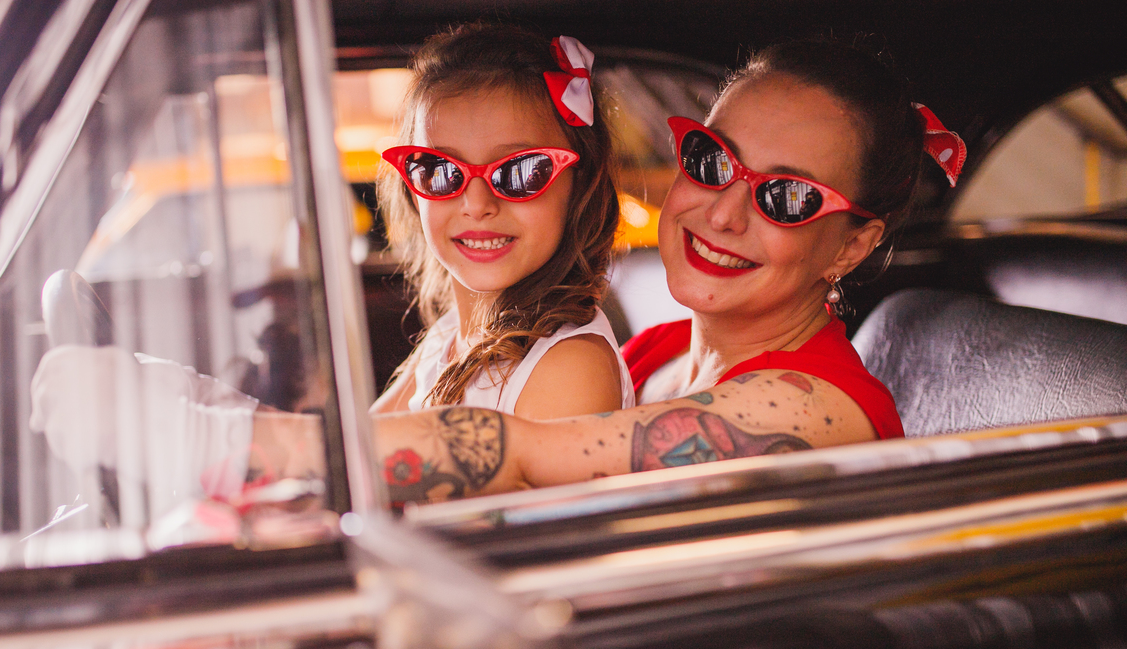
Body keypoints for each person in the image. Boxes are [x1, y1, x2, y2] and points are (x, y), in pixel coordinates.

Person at [334, 39, 966, 505]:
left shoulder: (815, 411)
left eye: (787, 197)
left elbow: (522, 455)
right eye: (710, 159)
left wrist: (267, 452)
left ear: (852, 248)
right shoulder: (656, 353)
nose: (722, 213)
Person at [370, 23, 634, 420]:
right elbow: (354, 447)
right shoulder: (448, 338)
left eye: (521, 172)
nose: (476, 204)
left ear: (580, 187)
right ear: (411, 189)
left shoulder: (570, 367)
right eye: (439, 170)